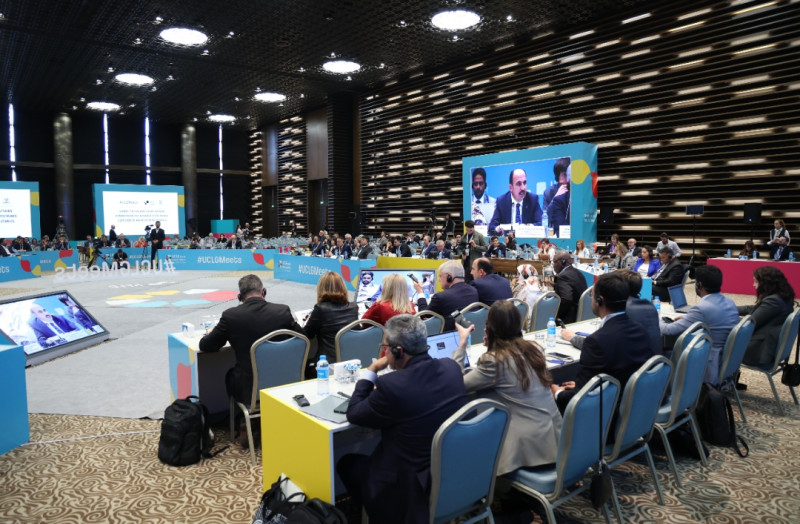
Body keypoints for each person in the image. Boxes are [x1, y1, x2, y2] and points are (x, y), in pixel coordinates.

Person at [337, 314, 468, 524]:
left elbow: (354, 413)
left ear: (398, 351)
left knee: (347, 464)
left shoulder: (391, 385)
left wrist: (372, 370)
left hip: (407, 487)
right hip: (449, 473)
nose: (384, 352)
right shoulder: (451, 368)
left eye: (385, 347)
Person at [452, 301, 561, 475]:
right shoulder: (535, 350)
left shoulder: (493, 360)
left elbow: (457, 385)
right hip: (554, 441)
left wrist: (462, 345)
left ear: (489, 329)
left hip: (529, 450)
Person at [552, 272, 656, 413]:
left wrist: (557, 392)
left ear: (600, 301)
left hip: (608, 416)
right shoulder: (641, 330)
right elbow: (621, 373)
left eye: (592, 295)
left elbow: (577, 399)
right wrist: (584, 386)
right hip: (636, 410)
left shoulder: (596, 342)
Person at [199, 275, 303, 404]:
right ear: (263, 292)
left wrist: (213, 332)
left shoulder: (231, 316)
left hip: (250, 389)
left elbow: (206, 346)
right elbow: (303, 337)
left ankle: (238, 415)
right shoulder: (282, 311)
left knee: (231, 375)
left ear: (240, 297)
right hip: (285, 383)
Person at [659, 265, 739, 385]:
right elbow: (713, 318)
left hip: (708, 362)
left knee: (663, 351)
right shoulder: (729, 301)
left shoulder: (702, 308)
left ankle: (667, 388)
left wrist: (655, 317)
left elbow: (668, 330)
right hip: (725, 359)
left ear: (699, 285)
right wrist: (688, 318)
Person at [562, 269, 661, 354]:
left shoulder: (623, 310)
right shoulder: (649, 306)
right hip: (652, 365)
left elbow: (598, 346)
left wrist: (572, 337)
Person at [303, 272, 359, 378]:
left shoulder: (320, 309)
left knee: (303, 364)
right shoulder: (353, 307)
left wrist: (309, 320)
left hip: (327, 365)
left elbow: (307, 334)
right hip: (349, 364)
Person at [738, 266, 795, 367]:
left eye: (756, 281)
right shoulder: (781, 298)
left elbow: (748, 325)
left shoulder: (773, 302)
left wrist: (727, 318)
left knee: (717, 343)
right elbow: (754, 309)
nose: (754, 285)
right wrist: (730, 309)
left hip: (756, 352)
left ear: (766, 283)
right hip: (768, 346)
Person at [413, 260, 479, 332]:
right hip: (470, 334)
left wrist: (420, 292)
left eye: (440, 276)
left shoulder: (441, 297)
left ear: (449, 276)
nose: (439, 280)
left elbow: (423, 315)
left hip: (448, 336)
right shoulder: (474, 291)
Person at [488, 168, 543, 236]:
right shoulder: (502, 201)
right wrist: (497, 229)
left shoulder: (532, 199)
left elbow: (541, 223)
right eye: (519, 184)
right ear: (511, 187)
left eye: (524, 183)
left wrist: (527, 228)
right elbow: (492, 227)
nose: (523, 188)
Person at [545, 251, 587, 324]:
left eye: (554, 262)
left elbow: (567, 299)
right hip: (582, 312)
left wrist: (556, 315)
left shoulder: (563, 276)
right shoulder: (577, 272)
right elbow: (573, 288)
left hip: (570, 318)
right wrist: (556, 285)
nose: (553, 266)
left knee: (546, 313)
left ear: (562, 262)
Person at [546, 162, 570, 237]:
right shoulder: (548, 192)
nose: (561, 180)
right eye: (558, 174)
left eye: (565, 175)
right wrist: (555, 197)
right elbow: (545, 217)